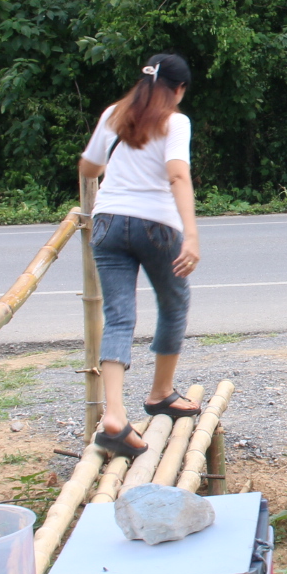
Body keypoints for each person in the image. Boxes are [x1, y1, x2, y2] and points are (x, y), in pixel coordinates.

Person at [78, 53, 203, 457]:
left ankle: (114, 416)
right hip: (156, 225)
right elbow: (178, 174)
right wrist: (192, 236)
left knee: (118, 316)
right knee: (174, 302)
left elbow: (88, 167)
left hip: (108, 222)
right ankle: (160, 393)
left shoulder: (115, 114)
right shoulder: (175, 121)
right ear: (179, 89)